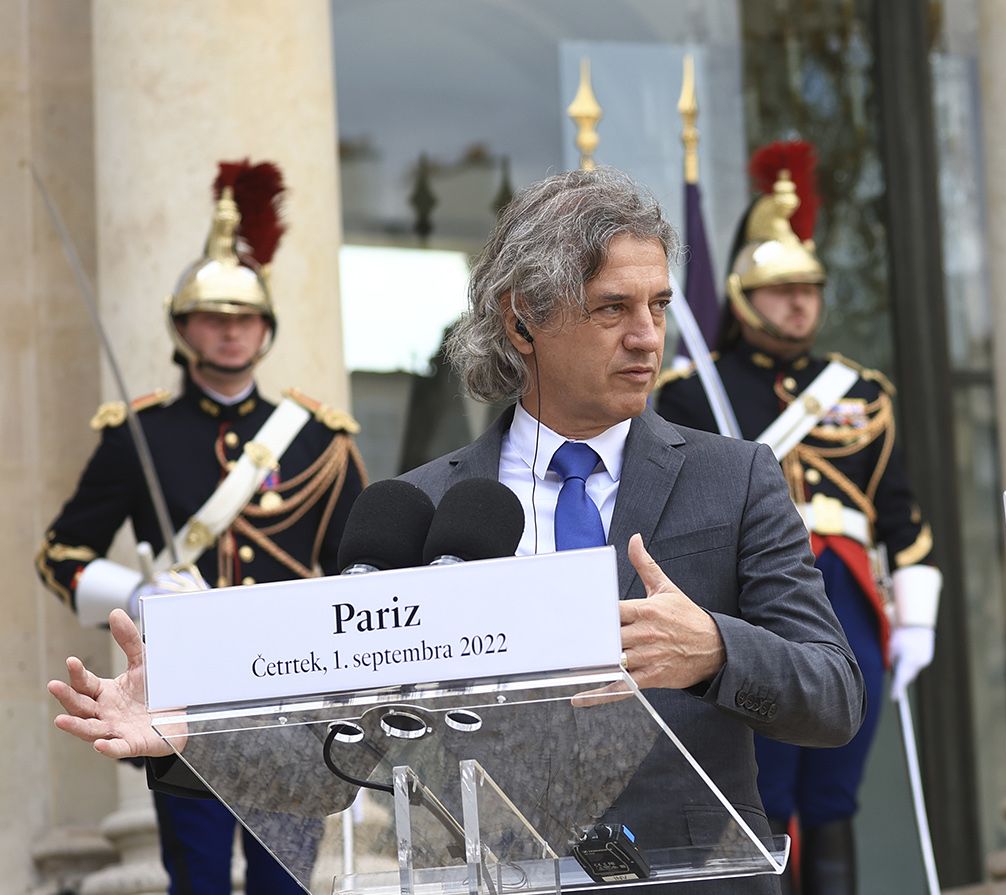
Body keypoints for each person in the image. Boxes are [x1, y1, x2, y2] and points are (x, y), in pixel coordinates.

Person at [51, 167, 863, 895]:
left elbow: (832, 693)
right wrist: (192, 732)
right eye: (613, 307)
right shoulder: (420, 508)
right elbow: (339, 751)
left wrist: (715, 648)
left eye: (656, 305)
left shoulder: (736, 477)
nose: (648, 336)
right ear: (522, 323)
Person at [36, 160, 367, 895]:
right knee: (199, 879)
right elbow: (60, 553)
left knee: (286, 878)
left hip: (290, 690)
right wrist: (140, 589)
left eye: (242, 317)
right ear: (183, 327)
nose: (228, 331)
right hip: (183, 689)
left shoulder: (318, 439)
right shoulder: (138, 434)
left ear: (265, 327)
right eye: (212, 318)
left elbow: (359, 565)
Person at [652, 140, 941, 895]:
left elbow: (900, 512)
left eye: (807, 287)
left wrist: (918, 619)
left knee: (836, 788)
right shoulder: (693, 392)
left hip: (848, 591)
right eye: (780, 289)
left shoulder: (863, 392)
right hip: (749, 599)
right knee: (766, 786)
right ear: (745, 293)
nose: (798, 302)